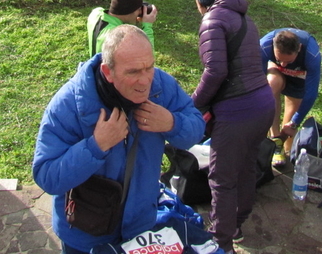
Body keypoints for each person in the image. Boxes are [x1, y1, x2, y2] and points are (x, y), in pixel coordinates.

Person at [33, 24, 205, 254]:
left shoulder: (161, 87)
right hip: (85, 237)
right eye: (133, 72)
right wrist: (96, 147)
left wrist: (172, 123)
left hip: (139, 229)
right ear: (107, 72)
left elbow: (197, 128)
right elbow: (47, 176)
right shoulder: (69, 104)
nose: (145, 81)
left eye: (149, 67)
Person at [192, 0, 274, 253]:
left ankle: (220, 241)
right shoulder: (245, 18)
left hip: (238, 110)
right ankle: (237, 223)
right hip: (263, 102)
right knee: (246, 167)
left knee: (222, 179)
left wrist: (194, 103)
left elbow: (215, 71)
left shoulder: (212, 19)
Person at [259, 28, 321, 167]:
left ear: (299, 48)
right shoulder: (264, 46)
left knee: (290, 121)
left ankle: (285, 146)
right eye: (280, 59)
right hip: (274, 70)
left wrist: (295, 122)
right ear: (273, 46)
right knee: (270, 85)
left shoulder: (312, 55)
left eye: (288, 60)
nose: (284, 65)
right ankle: (275, 140)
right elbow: (256, 83)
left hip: (300, 72)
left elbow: (310, 94)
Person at [87, 0, 157, 56]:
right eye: (139, 10)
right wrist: (147, 26)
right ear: (129, 11)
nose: (139, 13)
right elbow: (146, 57)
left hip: (95, 65)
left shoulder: (95, 13)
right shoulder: (118, 37)